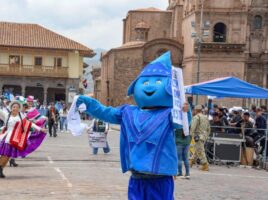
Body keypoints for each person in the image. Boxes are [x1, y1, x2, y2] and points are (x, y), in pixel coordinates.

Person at [76, 52, 186, 200]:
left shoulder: (169, 114)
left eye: (158, 82)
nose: (150, 86)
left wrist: (185, 110)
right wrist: (88, 104)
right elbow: (106, 112)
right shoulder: (127, 112)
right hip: (137, 177)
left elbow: (182, 122)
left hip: (161, 177)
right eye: (145, 83)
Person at [0, 94, 47, 178]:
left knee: (8, 156)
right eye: (13, 107)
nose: (15, 108)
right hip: (7, 138)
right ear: (11, 108)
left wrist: (40, 129)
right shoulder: (6, 115)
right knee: (5, 155)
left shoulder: (21, 116)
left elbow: (29, 124)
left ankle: (0, 169)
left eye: (16, 107)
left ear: (19, 108)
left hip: (16, 139)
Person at [190, 105, 211, 171]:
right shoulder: (205, 117)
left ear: (195, 110)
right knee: (198, 149)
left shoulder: (196, 117)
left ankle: (205, 165)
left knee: (200, 151)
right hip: (204, 136)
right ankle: (192, 161)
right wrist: (206, 136)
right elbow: (209, 128)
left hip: (198, 136)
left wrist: (190, 135)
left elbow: (193, 127)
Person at [175, 103, 191, 179]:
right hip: (187, 141)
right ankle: (187, 173)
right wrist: (188, 111)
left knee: (179, 158)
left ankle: (180, 172)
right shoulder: (187, 122)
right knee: (186, 158)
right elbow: (190, 116)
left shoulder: (177, 123)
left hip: (178, 142)